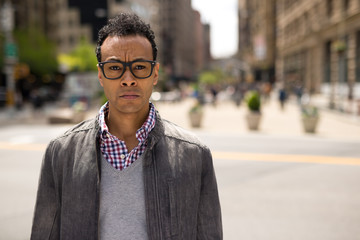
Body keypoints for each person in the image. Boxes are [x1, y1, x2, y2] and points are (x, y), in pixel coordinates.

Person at [31, 12, 222, 240]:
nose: (128, 79)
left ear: (155, 74)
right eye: (114, 68)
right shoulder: (60, 153)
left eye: (140, 67)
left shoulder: (194, 155)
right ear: (100, 75)